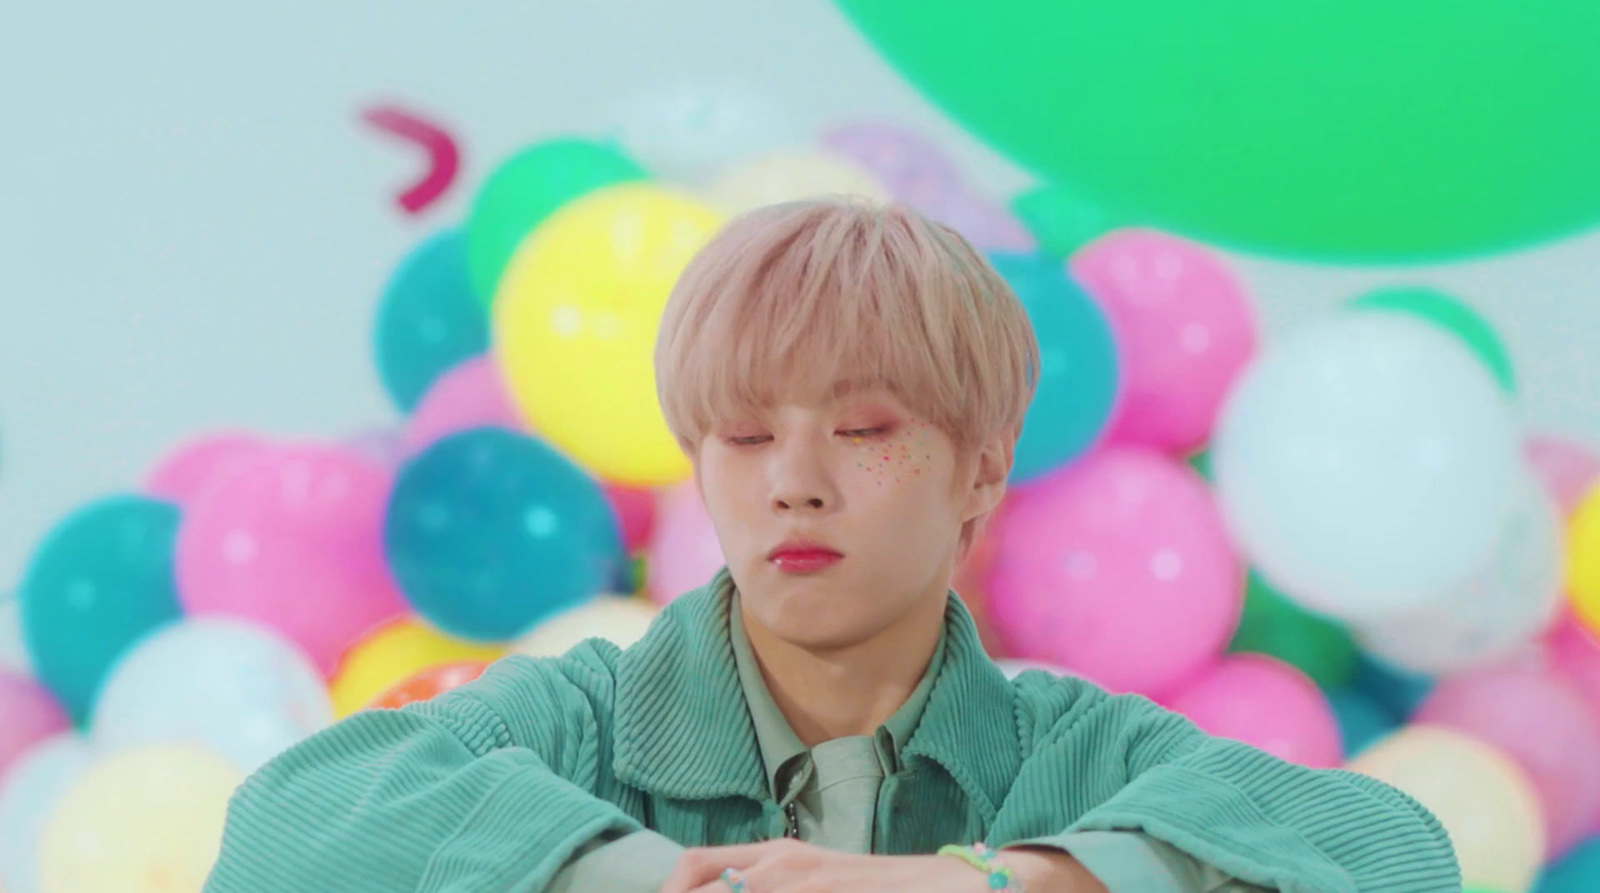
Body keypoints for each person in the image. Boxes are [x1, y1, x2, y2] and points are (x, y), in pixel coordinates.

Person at [203, 199, 1459, 893]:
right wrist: (654, 880)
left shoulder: (1085, 749)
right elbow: (280, 830)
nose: (793, 486)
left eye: (862, 429)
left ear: (981, 466)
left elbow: (1397, 855)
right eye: (744, 437)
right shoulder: (577, 719)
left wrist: (993, 886)